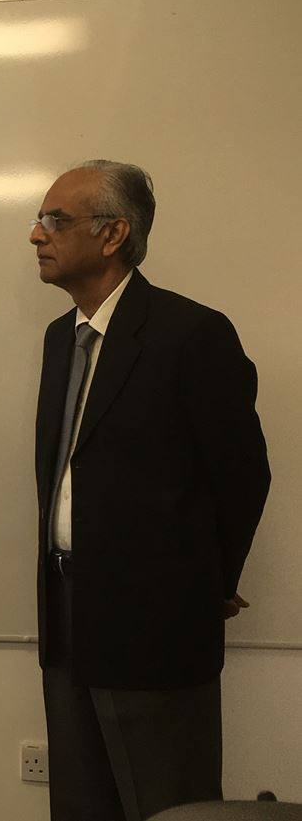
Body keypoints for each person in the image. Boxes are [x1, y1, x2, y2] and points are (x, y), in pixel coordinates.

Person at [30, 160, 270, 821]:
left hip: (156, 626)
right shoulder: (60, 339)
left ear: (114, 235)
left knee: (168, 807)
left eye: (57, 219)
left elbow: (242, 474)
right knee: (81, 805)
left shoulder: (191, 334)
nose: (36, 234)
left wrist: (206, 583)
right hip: (69, 616)